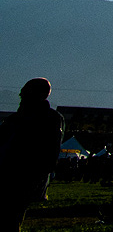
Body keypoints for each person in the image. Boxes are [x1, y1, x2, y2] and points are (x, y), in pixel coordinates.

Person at [0, 78, 64, 232]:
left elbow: (49, 154)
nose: (21, 95)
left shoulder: (50, 119)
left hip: (23, 177)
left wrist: (37, 177)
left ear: (40, 95)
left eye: (25, 92)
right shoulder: (14, 119)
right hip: (9, 174)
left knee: (10, 217)